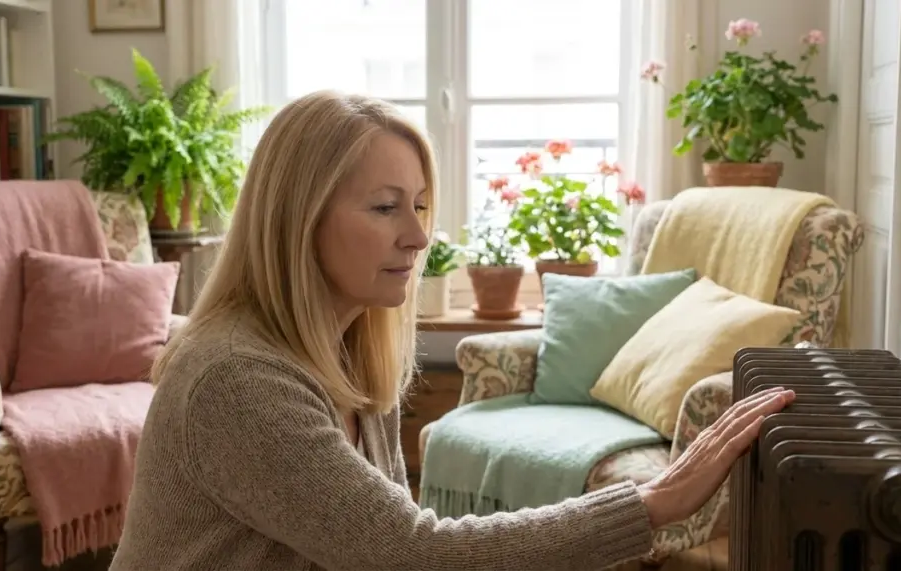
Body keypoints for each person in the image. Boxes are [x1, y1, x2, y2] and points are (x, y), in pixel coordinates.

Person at [109, 90, 795, 571]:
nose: (416, 236)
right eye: (384, 207)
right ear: (297, 219)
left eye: (419, 206)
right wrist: (649, 503)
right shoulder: (237, 379)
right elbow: (409, 552)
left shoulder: (346, 348)